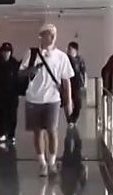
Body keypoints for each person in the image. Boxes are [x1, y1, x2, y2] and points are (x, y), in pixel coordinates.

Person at [20, 24, 74, 176]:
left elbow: (66, 80)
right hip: (33, 99)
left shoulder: (61, 57)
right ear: (41, 36)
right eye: (48, 34)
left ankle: (52, 162)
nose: (51, 37)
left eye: (53, 34)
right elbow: (21, 73)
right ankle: (42, 163)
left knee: (52, 130)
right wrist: (32, 70)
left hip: (53, 99)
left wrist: (68, 100)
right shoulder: (31, 53)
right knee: (38, 132)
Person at [0, 43, 22, 143]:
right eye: (4, 51)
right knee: (2, 113)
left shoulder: (15, 63)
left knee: (12, 114)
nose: (6, 53)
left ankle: (11, 135)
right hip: (0, 92)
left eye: (8, 51)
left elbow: (19, 77)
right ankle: (2, 133)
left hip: (13, 93)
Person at [66, 42, 87, 126]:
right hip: (68, 82)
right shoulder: (66, 59)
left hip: (77, 83)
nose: (68, 50)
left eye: (70, 49)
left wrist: (84, 83)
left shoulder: (80, 59)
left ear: (75, 50)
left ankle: (73, 118)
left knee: (78, 103)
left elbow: (83, 71)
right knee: (67, 102)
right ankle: (70, 119)